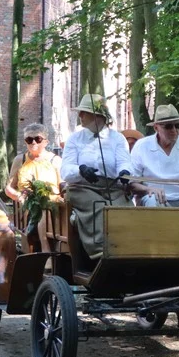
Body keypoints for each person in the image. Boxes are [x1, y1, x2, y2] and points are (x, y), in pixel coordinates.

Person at [60, 93, 134, 259]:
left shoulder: (117, 139)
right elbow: (65, 169)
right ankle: (100, 252)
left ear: (97, 116)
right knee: (99, 207)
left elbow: (124, 161)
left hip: (113, 187)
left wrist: (125, 172)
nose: (80, 116)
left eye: (83, 112)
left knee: (126, 211)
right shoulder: (74, 139)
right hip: (82, 187)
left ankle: (128, 250)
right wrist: (81, 170)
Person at [5, 123, 62, 253]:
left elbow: (63, 186)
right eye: (29, 140)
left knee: (46, 208)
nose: (33, 142)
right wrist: (20, 197)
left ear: (46, 142)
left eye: (38, 139)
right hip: (27, 205)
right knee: (41, 210)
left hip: (53, 204)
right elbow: (9, 188)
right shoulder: (20, 160)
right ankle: (46, 252)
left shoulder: (56, 161)